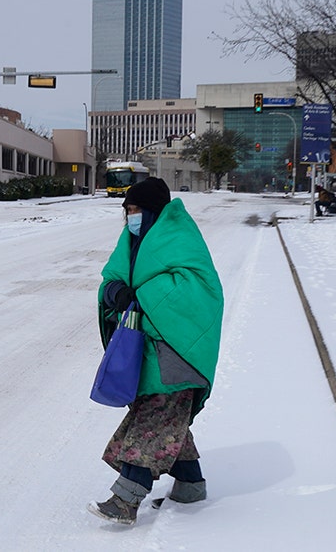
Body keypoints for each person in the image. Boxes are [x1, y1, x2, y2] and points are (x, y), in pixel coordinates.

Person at [88, 177, 224, 526]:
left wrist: (140, 296)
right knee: (167, 420)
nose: (130, 217)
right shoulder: (132, 242)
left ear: (153, 212)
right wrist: (114, 292)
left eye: (135, 210)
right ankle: (191, 485)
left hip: (178, 354)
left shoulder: (181, 239)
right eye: (127, 211)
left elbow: (197, 291)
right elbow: (113, 279)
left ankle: (125, 500)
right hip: (148, 353)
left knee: (152, 423)